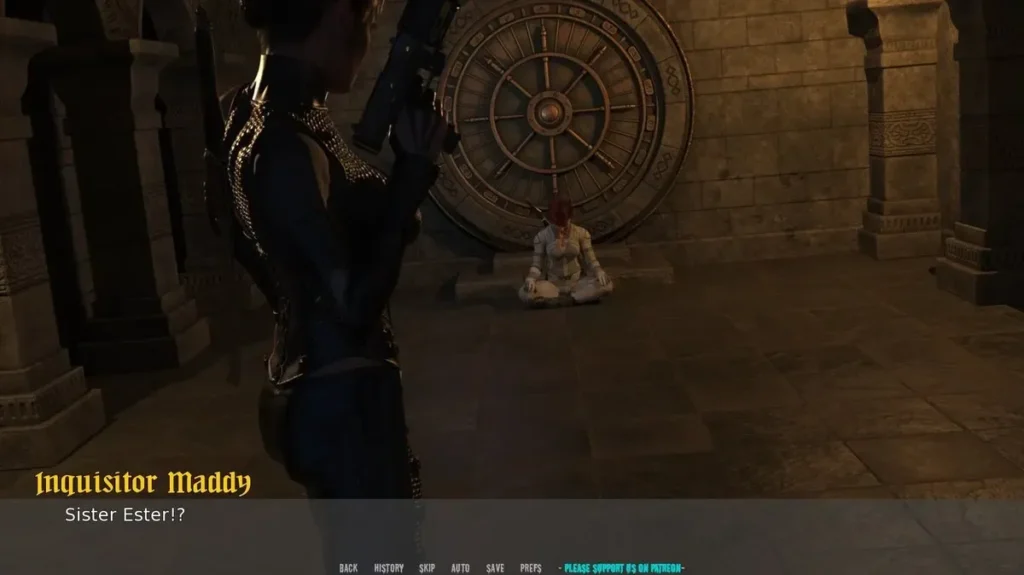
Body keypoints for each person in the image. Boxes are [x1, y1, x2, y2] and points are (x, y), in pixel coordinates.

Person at [221, 0, 448, 568]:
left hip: (329, 388)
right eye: (367, 24)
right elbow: (351, 305)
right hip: (341, 400)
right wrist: (411, 175)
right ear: (339, 16)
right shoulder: (282, 141)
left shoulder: (250, 112)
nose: (369, 43)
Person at [518, 196, 614, 306]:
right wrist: (531, 278)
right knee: (525, 293)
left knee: (607, 285)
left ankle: (569, 299)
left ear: (570, 218)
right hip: (552, 285)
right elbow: (536, 266)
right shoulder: (542, 237)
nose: (561, 229)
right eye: (557, 226)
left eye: (564, 225)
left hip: (577, 283)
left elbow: (591, 260)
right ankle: (577, 299)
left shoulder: (581, 233)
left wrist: (599, 271)